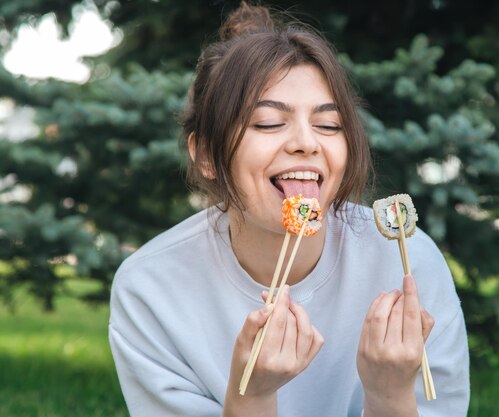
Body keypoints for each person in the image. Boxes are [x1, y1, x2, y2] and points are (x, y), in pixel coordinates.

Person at [108, 2, 470, 417]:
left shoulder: (407, 261)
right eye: (267, 123)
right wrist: (252, 396)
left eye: (329, 125)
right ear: (205, 154)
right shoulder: (151, 287)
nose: (307, 142)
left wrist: (389, 395)